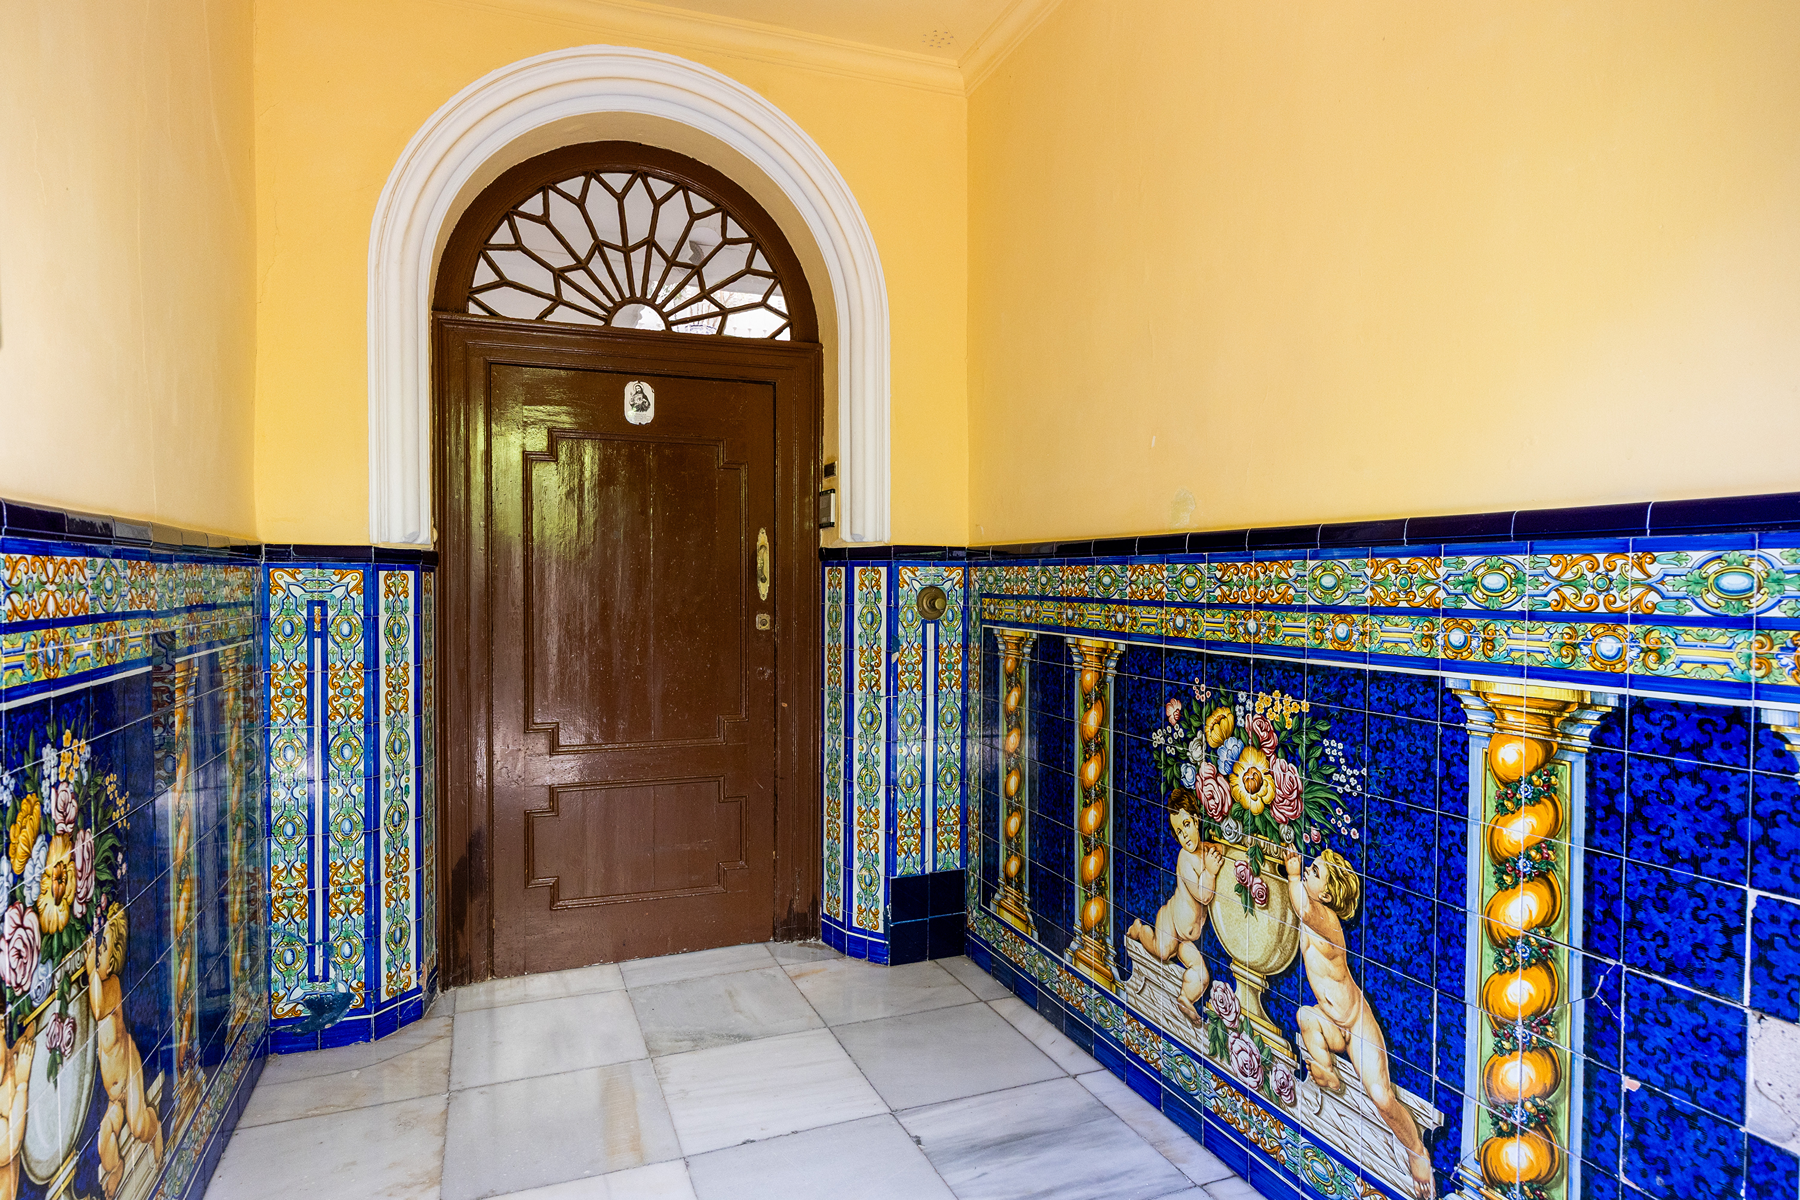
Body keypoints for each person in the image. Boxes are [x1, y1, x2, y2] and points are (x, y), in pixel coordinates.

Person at [1285, 848, 1434, 1198]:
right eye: (1309, 868)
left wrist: (1292, 875)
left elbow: (1302, 908)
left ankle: (1417, 1151)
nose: (1308, 871)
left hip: (1356, 1023)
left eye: (1315, 871)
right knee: (1305, 1016)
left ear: (1326, 893)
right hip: (1331, 1022)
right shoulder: (1313, 914)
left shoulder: (1325, 919)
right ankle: (1328, 1073)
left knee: (1382, 1098)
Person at [1125, 792, 1224, 1023]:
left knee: (1202, 976)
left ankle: (1185, 999)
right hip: (1170, 923)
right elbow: (1203, 896)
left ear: (1197, 820)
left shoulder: (1205, 850)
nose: (1185, 835)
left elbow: (1222, 851)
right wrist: (1209, 872)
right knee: (1162, 951)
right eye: (1179, 832)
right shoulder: (1184, 858)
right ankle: (1140, 930)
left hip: (1186, 939)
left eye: (1187, 825)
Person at [88, 904, 163, 1197]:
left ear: (115, 956)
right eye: (95, 947)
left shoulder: (112, 986)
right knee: (104, 1139)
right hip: (111, 1092)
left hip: (128, 1071)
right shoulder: (100, 981)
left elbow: (96, 1008)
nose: (95, 953)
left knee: (137, 1127)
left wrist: (89, 969)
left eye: (101, 947)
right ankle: (117, 1167)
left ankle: (155, 1126)